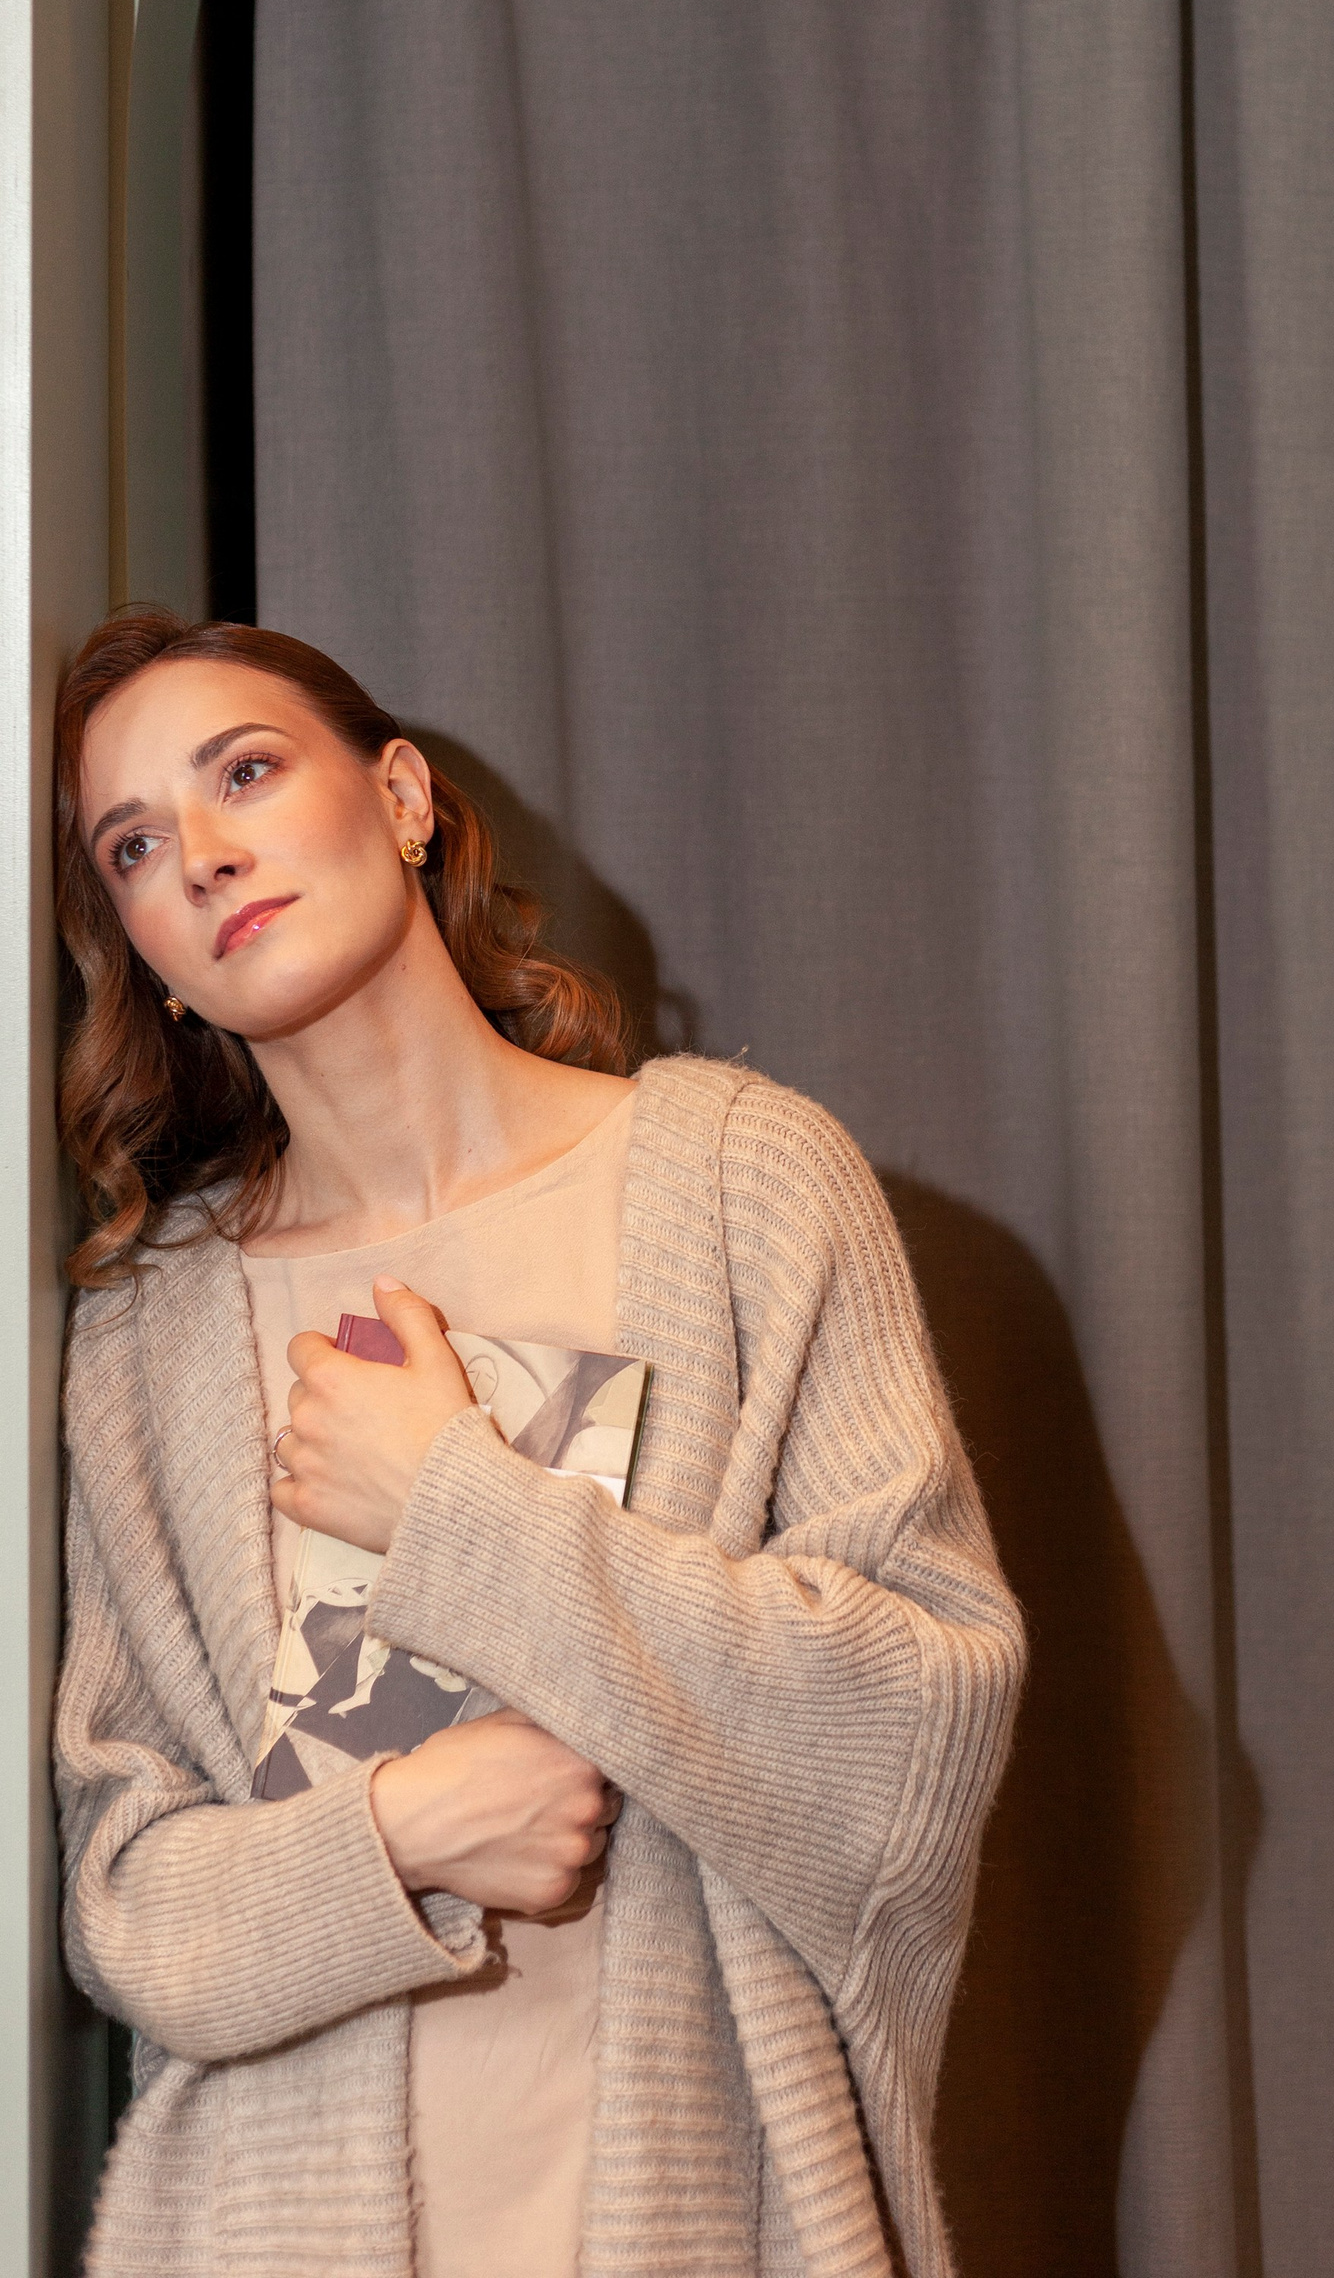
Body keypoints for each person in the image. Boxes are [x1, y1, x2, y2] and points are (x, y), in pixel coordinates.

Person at [52, 607, 1024, 2278]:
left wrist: (452, 1510)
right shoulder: (148, 1336)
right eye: (133, 845)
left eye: (247, 773)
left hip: (701, 2210)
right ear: (141, 947)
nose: (200, 854)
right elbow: (129, 1908)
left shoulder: (741, 1184)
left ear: (403, 797)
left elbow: (915, 1735)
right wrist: (402, 1835)